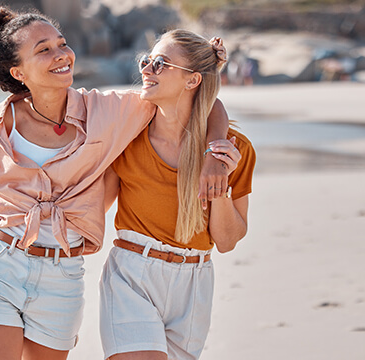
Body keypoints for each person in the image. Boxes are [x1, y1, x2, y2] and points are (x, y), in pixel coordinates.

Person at [0, 3, 230, 360]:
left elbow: (202, 101)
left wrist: (216, 154)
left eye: (61, 43)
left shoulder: (108, 111)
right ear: (18, 72)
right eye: (44, 50)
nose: (61, 55)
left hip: (61, 275)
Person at [99, 30, 256, 360]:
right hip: (132, 276)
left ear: (192, 80)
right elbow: (94, 205)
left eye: (160, 63)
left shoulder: (234, 150)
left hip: (195, 282)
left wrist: (220, 185)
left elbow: (226, 242)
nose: (146, 70)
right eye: (146, 61)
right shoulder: (126, 136)